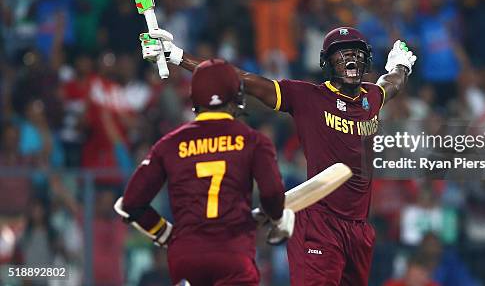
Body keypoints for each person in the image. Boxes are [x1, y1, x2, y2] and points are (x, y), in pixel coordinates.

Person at [140, 26, 417, 285]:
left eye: (356, 53)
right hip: (318, 224)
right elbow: (241, 80)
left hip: (359, 229)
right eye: (341, 54)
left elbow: (392, 82)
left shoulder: (371, 97)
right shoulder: (307, 96)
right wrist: (177, 56)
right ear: (327, 63)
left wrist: (401, 66)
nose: (351, 59)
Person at [114, 59, 293, 285]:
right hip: (232, 253)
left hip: (186, 257)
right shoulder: (253, 141)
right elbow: (271, 194)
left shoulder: (169, 144)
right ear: (236, 95)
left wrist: (165, 233)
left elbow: (130, 203)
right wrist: (278, 219)